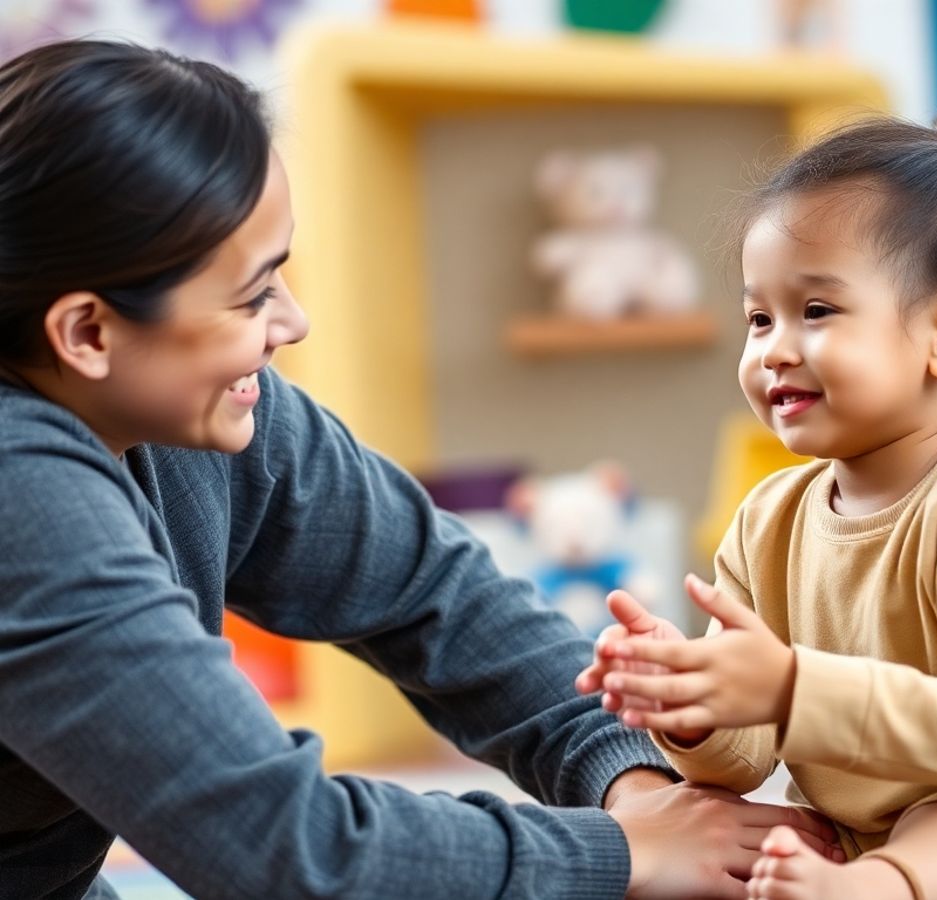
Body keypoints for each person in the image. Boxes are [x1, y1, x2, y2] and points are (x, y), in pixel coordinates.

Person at [0, 39, 819, 900]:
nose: (294, 321)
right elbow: (290, 847)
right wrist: (625, 852)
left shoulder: (199, 403)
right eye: (252, 296)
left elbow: (437, 594)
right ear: (88, 333)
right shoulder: (24, 498)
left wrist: (639, 789)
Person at [577, 90, 937, 899]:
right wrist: (697, 709)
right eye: (759, 318)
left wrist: (791, 686)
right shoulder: (767, 522)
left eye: (815, 310)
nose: (774, 350)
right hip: (882, 831)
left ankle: (880, 887)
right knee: (754, 843)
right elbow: (751, 753)